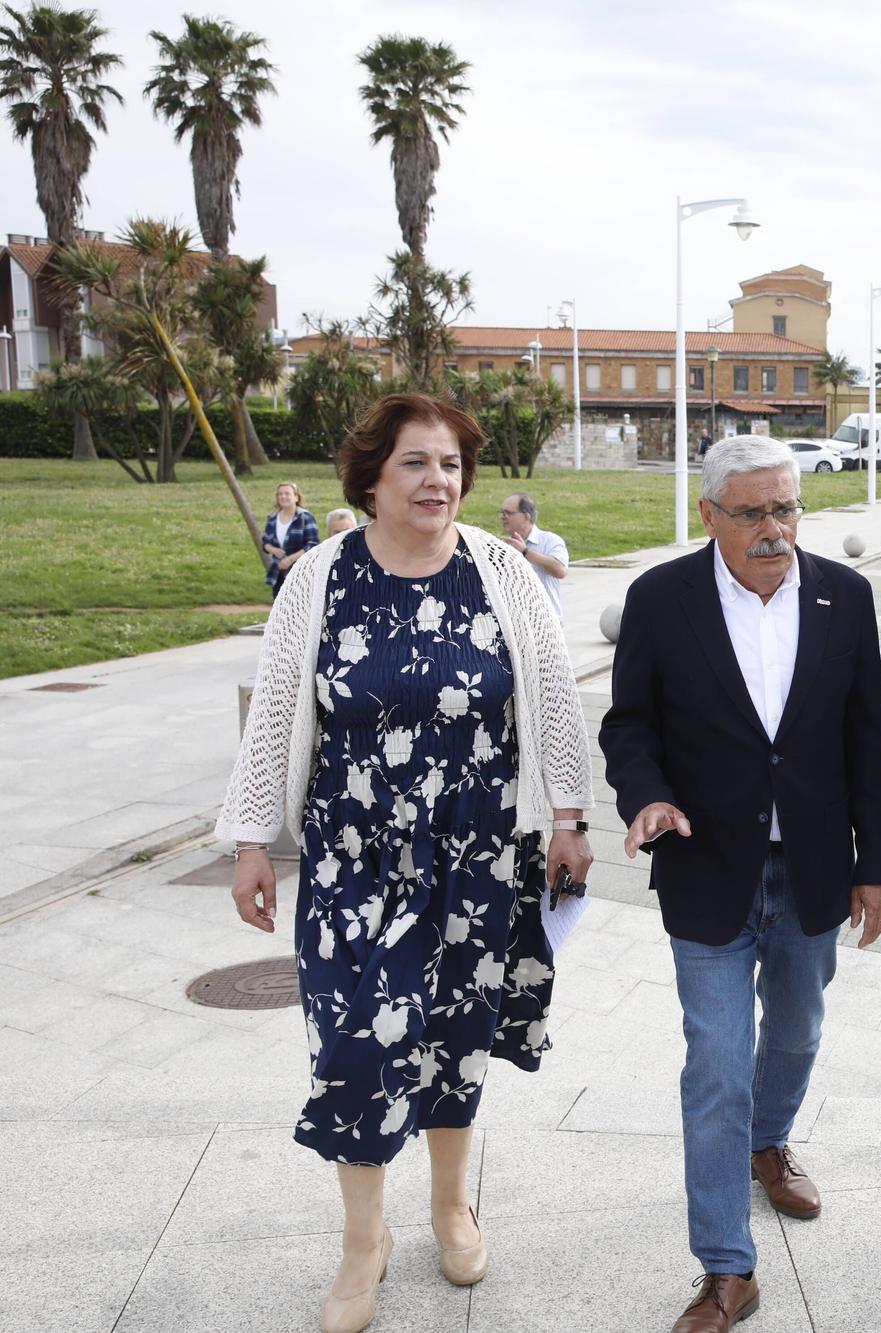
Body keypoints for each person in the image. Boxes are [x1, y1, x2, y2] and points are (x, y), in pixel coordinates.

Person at [218, 393, 595, 1333]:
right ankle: (363, 1241)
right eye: (417, 464)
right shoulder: (319, 577)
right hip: (354, 861)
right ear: (372, 479)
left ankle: (451, 1205)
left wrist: (568, 815)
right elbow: (274, 714)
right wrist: (252, 839)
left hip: (476, 853)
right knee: (354, 1047)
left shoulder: (499, 569)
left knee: (454, 1038)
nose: (439, 482)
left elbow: (550, 694)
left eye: (452, 465)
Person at [599, 435, 881, 1333]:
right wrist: (647, 795)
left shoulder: (843, 596)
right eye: (754, 512)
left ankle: (769, 1141)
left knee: (800, 1027)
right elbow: (629, 727)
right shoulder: (660, 600)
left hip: (811, 863)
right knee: (718, 1065)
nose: (775, 529)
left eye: (787, 508)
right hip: (706, 866)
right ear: (710, 515)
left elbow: (866, 740)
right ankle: (727, 1266)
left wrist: (875, 862)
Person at [497, 492, 570, 615]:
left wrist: (525, 552)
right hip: (515, 623)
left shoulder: (549, 540)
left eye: (508, 513)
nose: (502, 517)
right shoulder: (502, 546)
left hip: (546, 623)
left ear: (526, 516)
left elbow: (560, 570)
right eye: (502, 512)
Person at [262, 480, 319, 597]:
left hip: (300, 572)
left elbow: (313, 544)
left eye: (287, 493)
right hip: (277, 572)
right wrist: (273, 550)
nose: (283, 496)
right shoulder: (272, 517)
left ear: (296, 497)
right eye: (280, 494)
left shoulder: (305, 517)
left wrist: (290, 560)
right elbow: (265, 543)